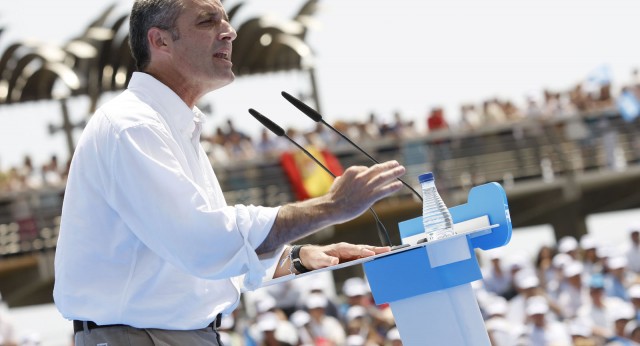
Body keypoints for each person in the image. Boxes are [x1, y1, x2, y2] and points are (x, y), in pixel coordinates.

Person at [53, 1, 406, 345]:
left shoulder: (167, 124)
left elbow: (197, 258)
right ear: (160, 41)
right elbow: (202, 242)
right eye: (207, 21)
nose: (230, 32)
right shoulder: (131, 126)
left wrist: (295, 257)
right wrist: (331, 207)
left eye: (225, 20)